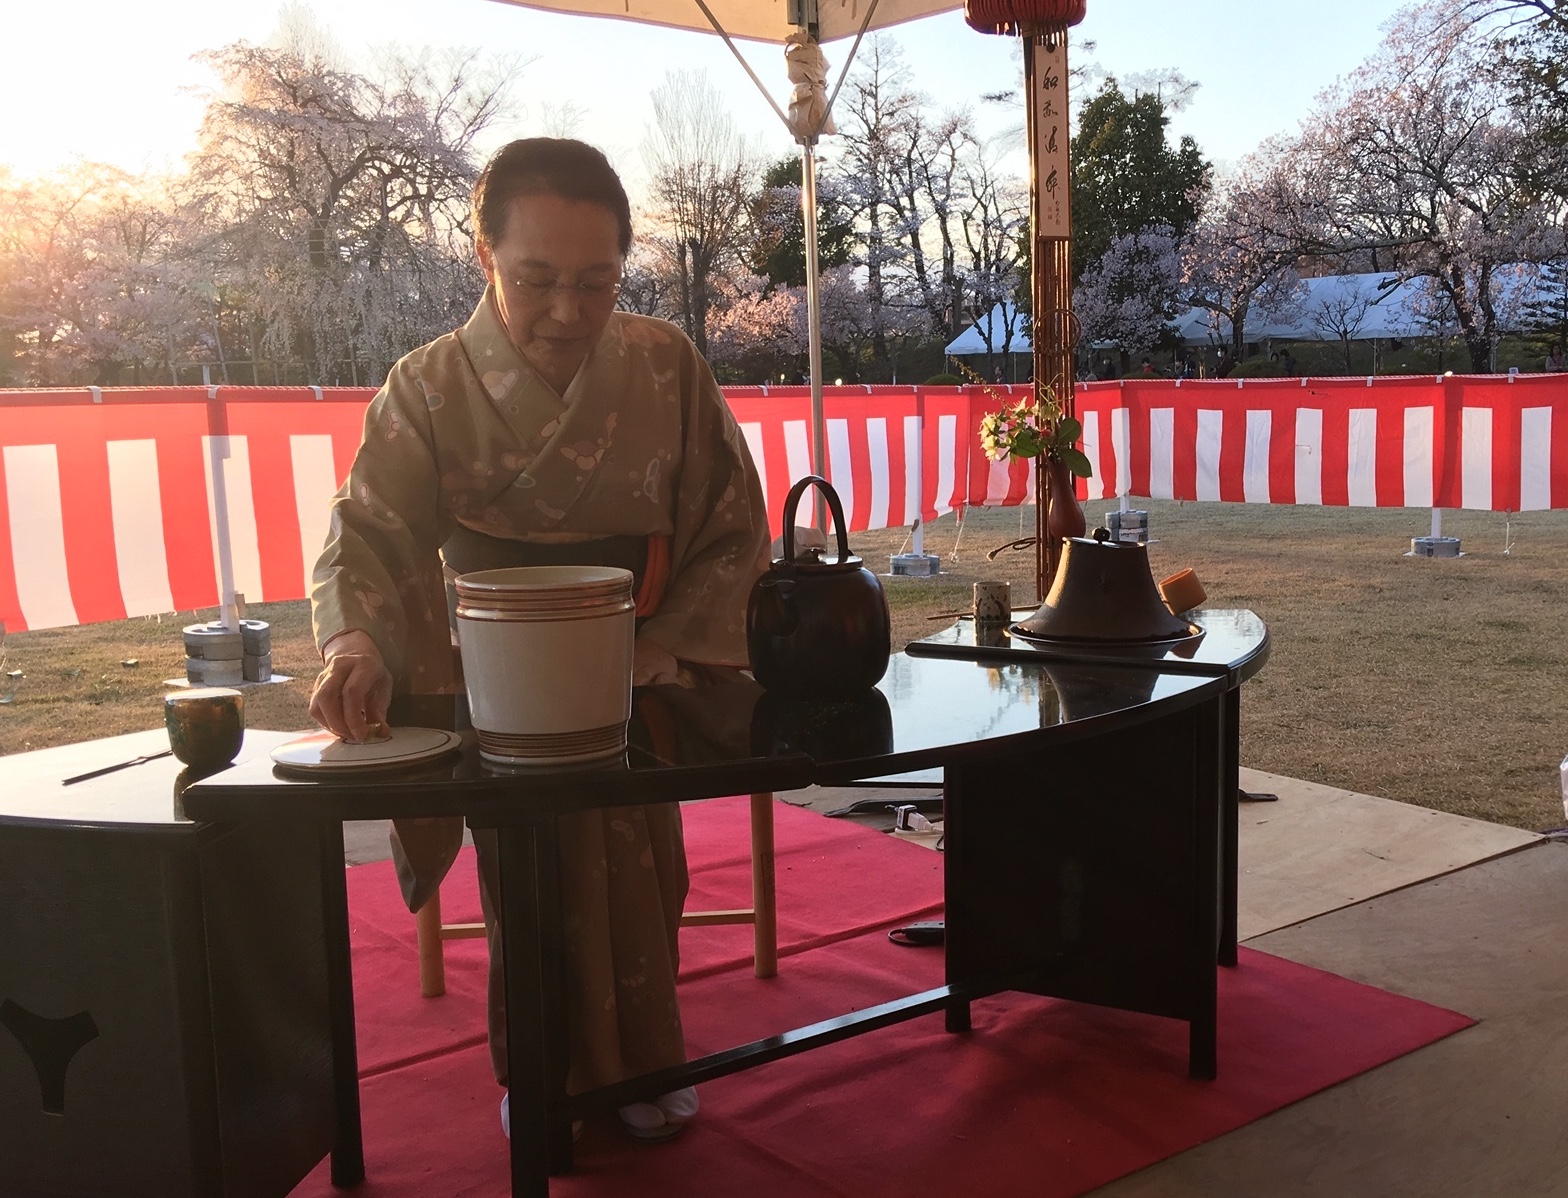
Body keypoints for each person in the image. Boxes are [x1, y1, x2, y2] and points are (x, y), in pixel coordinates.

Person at [307, 139, 770, 1143]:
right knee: (529, 869)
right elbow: (371, 533)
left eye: (597, 282)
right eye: (537, 279)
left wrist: (668, 643)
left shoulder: (665, 366)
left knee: (640, 860)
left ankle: (645, 1058)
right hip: (500, 682)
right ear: (484, 256)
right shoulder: (428, 385)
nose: (568, 310)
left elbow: (732, 521)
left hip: (635, 666)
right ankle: (544, 1075)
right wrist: (357, 645)